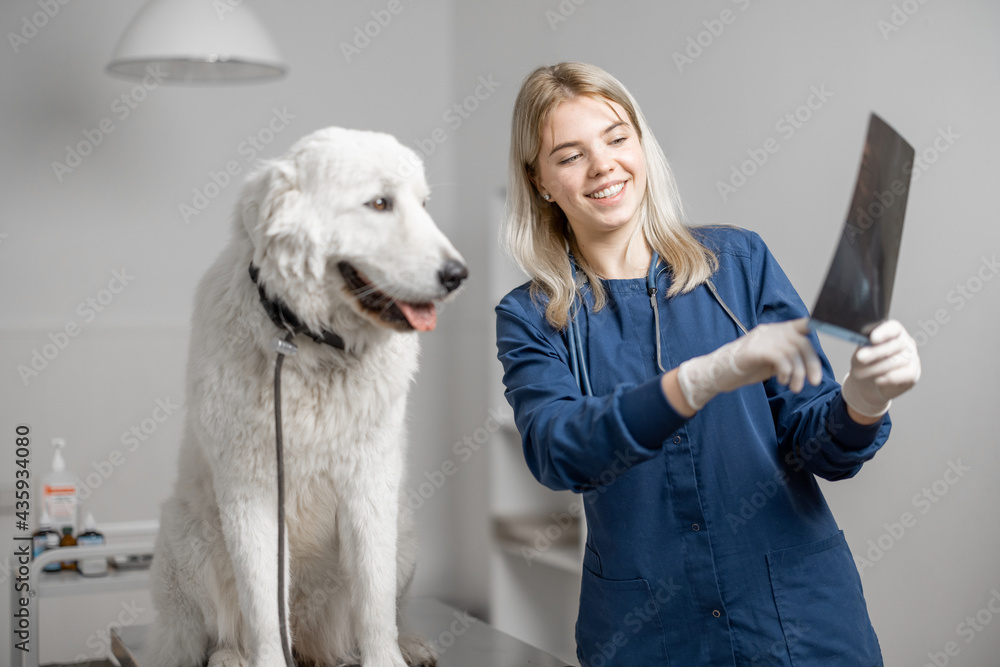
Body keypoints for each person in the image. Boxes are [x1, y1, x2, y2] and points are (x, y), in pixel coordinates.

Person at [494, 62, 921, 666]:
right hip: (648, 634)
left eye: (617, 138)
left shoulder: (738, 263)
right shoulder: (531, 317)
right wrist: (704, 376)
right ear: (540, 181)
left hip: (798, 621)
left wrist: (863, 399)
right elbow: (559, 451)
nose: (603, 166)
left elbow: (816, 448)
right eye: (569, 156)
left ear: (641, 144)